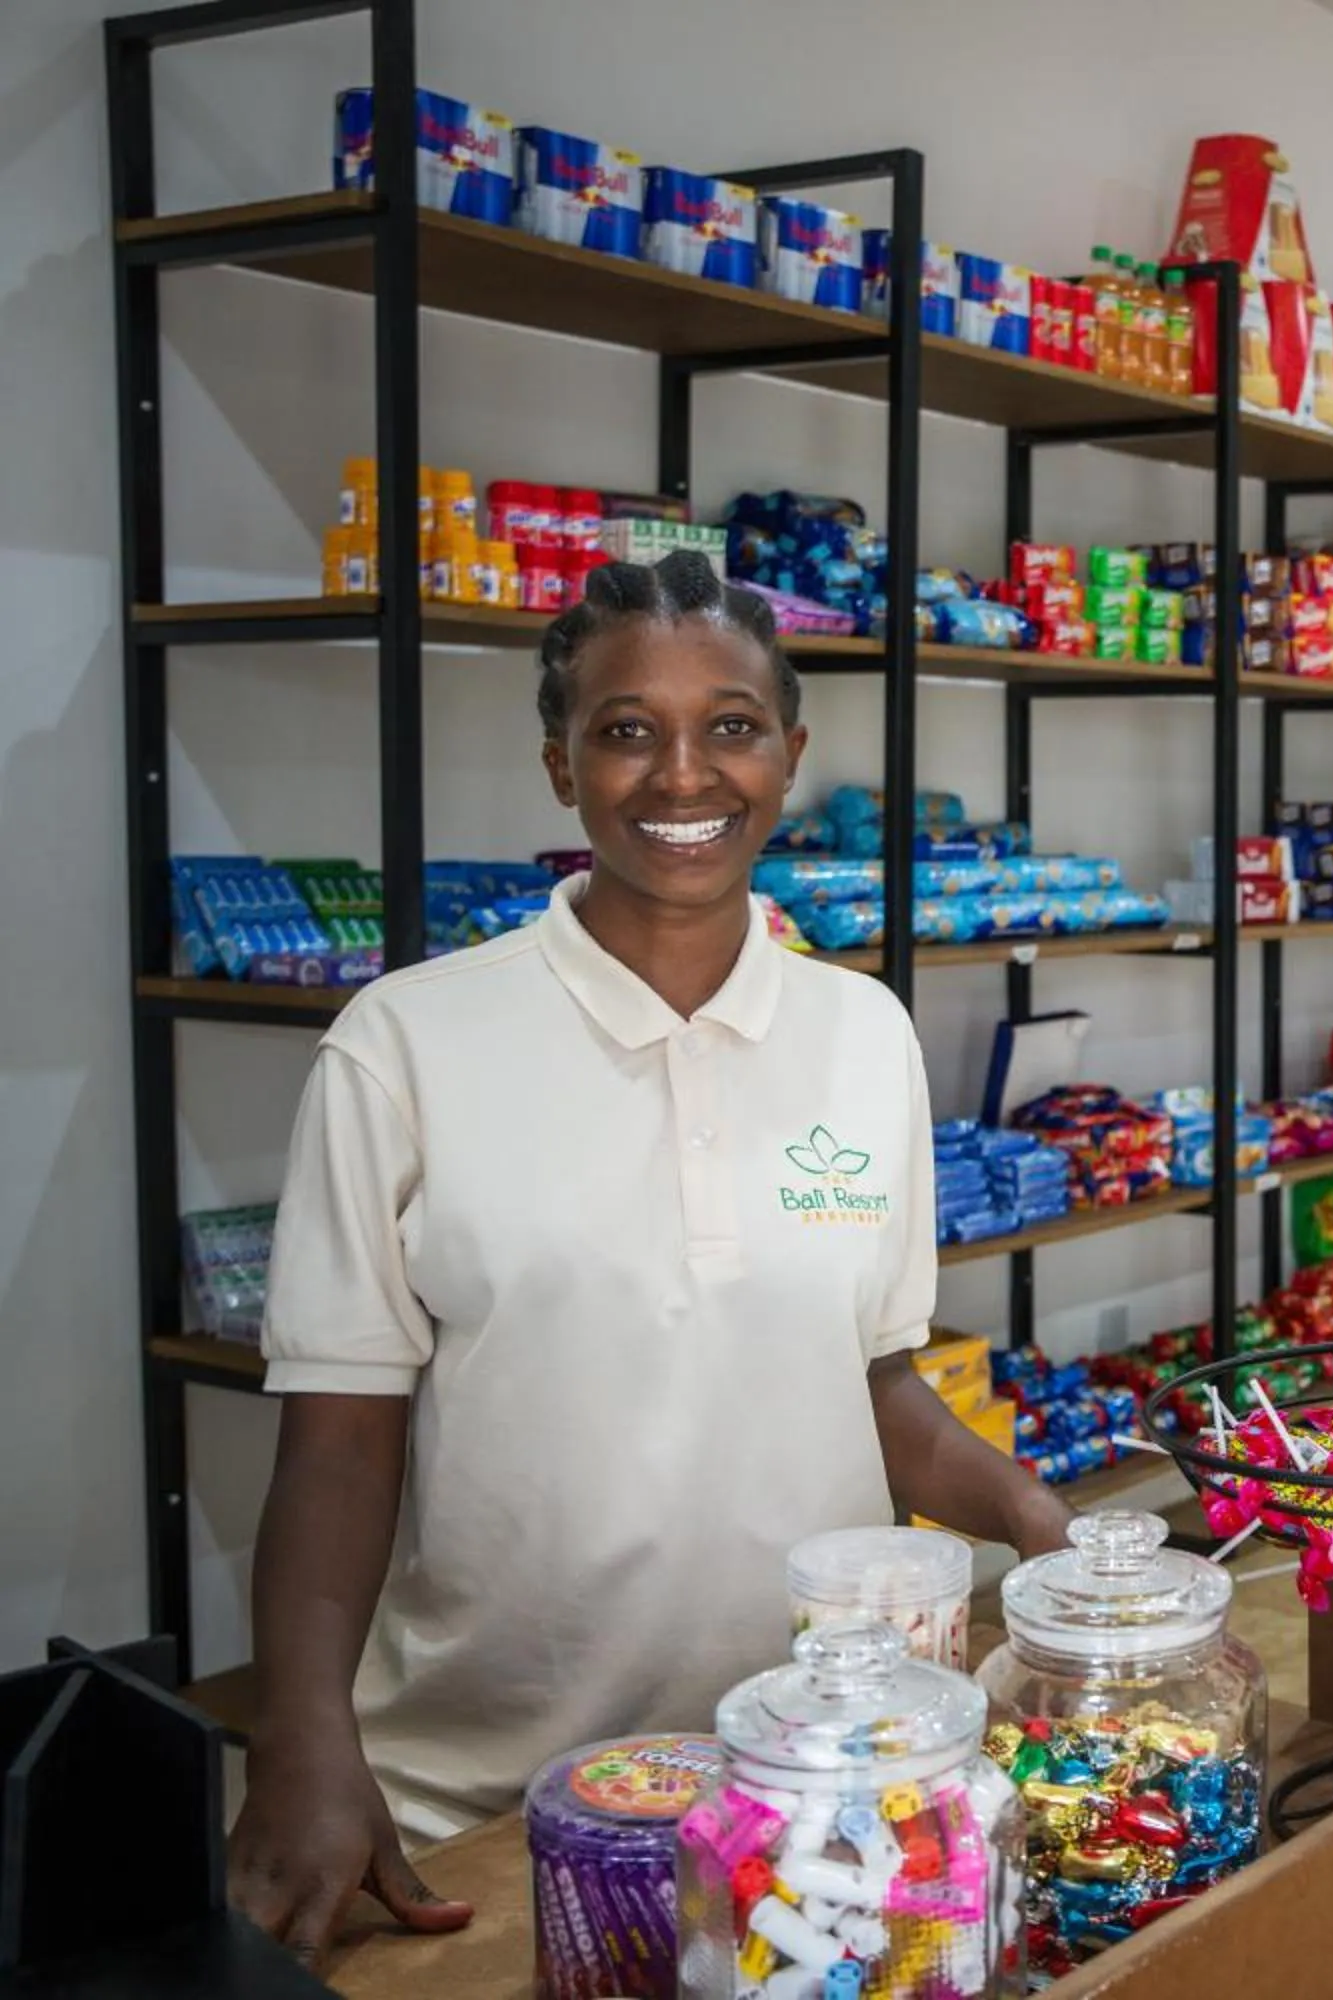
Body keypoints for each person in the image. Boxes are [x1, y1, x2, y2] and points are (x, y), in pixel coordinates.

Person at [227, 551, 1073, 1956]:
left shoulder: (863, 1038)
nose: (685, 774)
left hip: (806, 1782)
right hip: (481, 1799)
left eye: (730, 724)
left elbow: (872, 1386)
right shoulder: (406, 1046)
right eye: (627, 729)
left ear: (788, 755)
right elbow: (337, 1445)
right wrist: (302, 1740)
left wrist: (1047, 1532)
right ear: (562, 767)